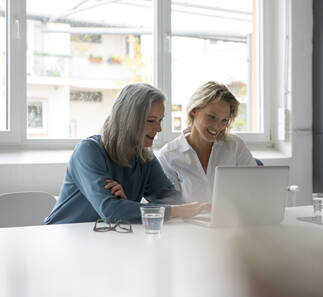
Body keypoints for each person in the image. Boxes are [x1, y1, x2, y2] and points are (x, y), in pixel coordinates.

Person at [44, 83, 208, 224]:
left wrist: (127, 206)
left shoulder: (144, 157)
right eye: (151, 121)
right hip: (60, 236)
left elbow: (172, 198)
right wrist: (174, 211)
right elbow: (112, 211)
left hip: (102, 239)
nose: (158, 129)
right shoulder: (89, 151)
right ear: (128, 120)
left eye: (160, 120)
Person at [157, 81, 257, 203]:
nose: (217, 127)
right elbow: (173, 208)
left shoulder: (235, 146)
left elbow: (255, 190)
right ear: (194, 110)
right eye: (212, 117)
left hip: (233, 220)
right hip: (188, 222)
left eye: (224, 120)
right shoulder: (169, 155)